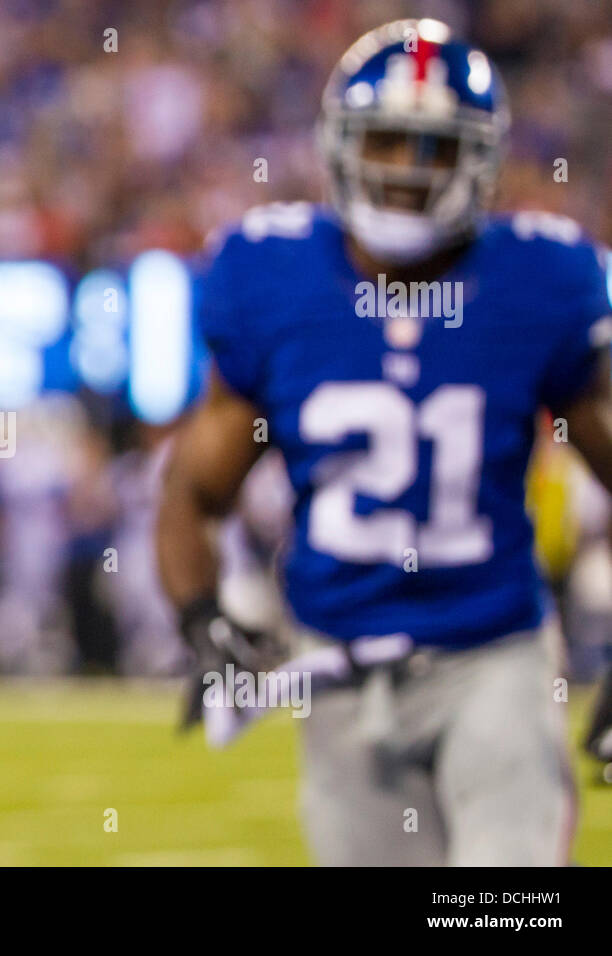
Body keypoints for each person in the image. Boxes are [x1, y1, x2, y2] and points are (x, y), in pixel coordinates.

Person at [157, 19, 612, 865]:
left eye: (432, 145)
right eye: (387, 140)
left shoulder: (538, 282)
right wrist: (201, 616)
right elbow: (192, 493)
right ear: (338, 146)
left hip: (494, 654)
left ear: (479, 159)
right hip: (335, 661)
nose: (405, 168)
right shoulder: (271, 277)